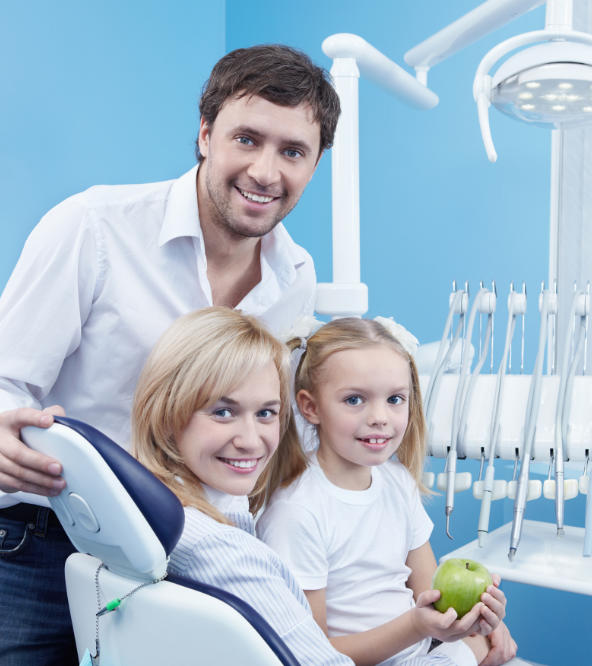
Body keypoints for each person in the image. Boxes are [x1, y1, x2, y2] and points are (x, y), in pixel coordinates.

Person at [0, 44, 340, 664]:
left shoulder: (295, 275)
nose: (266, 171)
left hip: (184, 545)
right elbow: (5, 384)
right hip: (43, 540)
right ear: (206, 135)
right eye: (247, 139)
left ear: (316, 164)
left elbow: (260, 422)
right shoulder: (94, 228)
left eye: (293, 151)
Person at [258, 318, 518, 666]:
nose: (380, 417)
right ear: (311, 407)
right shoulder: (298, 510)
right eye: (354, 400)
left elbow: (433, 597)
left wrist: (475, 621)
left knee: (487, 646)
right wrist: (417, 626)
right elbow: (312, 655)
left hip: (420, 652)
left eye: (395, 399)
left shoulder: (396, 482)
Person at [132, 306, 353, 665]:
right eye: (223, 411)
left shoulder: (136, 511)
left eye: (266, 413)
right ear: (166, 413)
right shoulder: (220, 550)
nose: (251, 441)